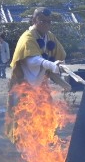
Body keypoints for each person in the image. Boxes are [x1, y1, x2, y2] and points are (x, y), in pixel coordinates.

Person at [5, 7, 66, 142]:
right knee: (21, 115)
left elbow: (60, 53)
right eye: (42, 21)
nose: (46, 24)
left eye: (49, 22)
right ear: (34, 20)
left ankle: (46, 140)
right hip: (23, 83)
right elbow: (33, 60)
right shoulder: (27, 37)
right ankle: (21, 144)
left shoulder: (50, 36)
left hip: (41, 82)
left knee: (46, 111)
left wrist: (59, 65)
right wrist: (51, 65)